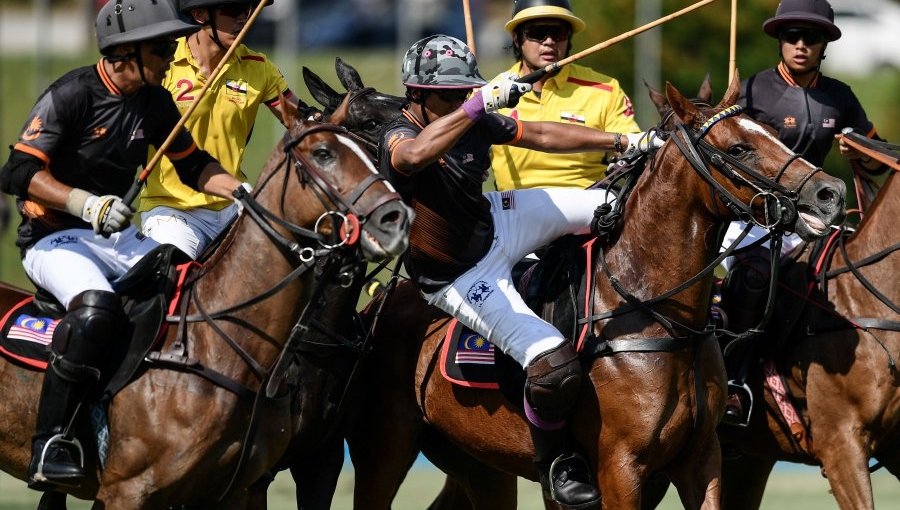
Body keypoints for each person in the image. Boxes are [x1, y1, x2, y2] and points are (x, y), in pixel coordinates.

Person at [379, 34, 660, 509]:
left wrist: (627, 140)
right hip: (456, 275)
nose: (457, 101)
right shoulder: (396, 132)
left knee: (615, 206)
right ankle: (556, 462)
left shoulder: (470, 117)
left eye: (463, 92)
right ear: (417, 94)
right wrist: (475, 106)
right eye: (447, 96)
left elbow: (543, 135)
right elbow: (413, 156)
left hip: (496, 221)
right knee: (551, 360)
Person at [0, 0, 246, 489]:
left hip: (114, 236)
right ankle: (52, 442)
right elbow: (18, 172)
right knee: (97, 308)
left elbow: (194, 166)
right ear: (124, 52)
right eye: (162, 48)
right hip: (52, 237)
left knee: (186, 291)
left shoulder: (155, 101)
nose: (171, 56)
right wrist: (85, 204)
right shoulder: (71, 94)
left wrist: (244, 193)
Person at [719, 0, 889, 426]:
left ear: (823, 45)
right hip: (753, 219)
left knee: (845, 278)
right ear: (780, 40)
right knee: (756, 278)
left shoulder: (840, 97)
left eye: (810, 37)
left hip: (811, 220)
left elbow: (877, 161)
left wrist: (861, 153)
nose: (800, 45)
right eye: (791, 36)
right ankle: (734, 381)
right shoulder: (751, 92)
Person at [139, 0, 319, 260]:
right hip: (172, 210)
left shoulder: (258, 66)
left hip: (233, 204)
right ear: (200, 14)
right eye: (233, 10)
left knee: (295, 263)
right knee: (169, 275)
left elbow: (302, 122)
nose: (243, 18)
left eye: (247, 10)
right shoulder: (164, 61)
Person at [490, 0, 642, 191]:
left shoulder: (606, 89)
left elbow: (632, 145)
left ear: (569, 38)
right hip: (513, 202)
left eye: (558, 33)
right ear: (516, 38)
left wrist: (627, 155)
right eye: (537, 32)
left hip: (588, 201)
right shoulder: (488, 94)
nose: (549, 41)